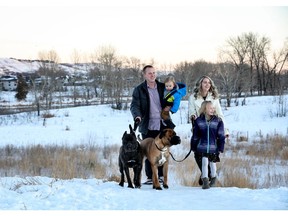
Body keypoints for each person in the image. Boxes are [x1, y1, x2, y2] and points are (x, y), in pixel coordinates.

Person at [188, 75, 229, 185]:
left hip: (212, 129)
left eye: (209, 83)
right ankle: (206, 175)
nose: (207, 84)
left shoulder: (214, 98)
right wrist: (193, 117)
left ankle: (209, 177)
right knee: (198, 154)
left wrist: (225, 131)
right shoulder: (193, 97)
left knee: (212, 155)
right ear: (200, 84)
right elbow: (191, 111)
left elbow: (220, 114)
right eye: (205, 82)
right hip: (200, 127)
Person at [130, 65, 167, 184]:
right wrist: (137, 116)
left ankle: (160, 176)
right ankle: (150, 177)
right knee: (148, 150)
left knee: (162, 149)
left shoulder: (162, 87)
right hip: (147, 124)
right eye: (150, 73)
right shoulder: (139, 89)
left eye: (154, 73)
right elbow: (134, 105)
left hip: (162, 124)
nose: (152, 75)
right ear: (144, 75)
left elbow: (173, 97)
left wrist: (171, 107)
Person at [190, 101, 226, 189]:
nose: (213, 110)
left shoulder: (218, 121)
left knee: (213, 164)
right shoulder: (198, 121)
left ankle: (213, 179)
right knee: (204, 163)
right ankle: (205, 181)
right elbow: (195, 136)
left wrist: (221, 147)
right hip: (202, 147)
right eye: (210, 108)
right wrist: (193, 146)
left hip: (214, 148)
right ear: (204, 109)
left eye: (214, 108)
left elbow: (221, 135)